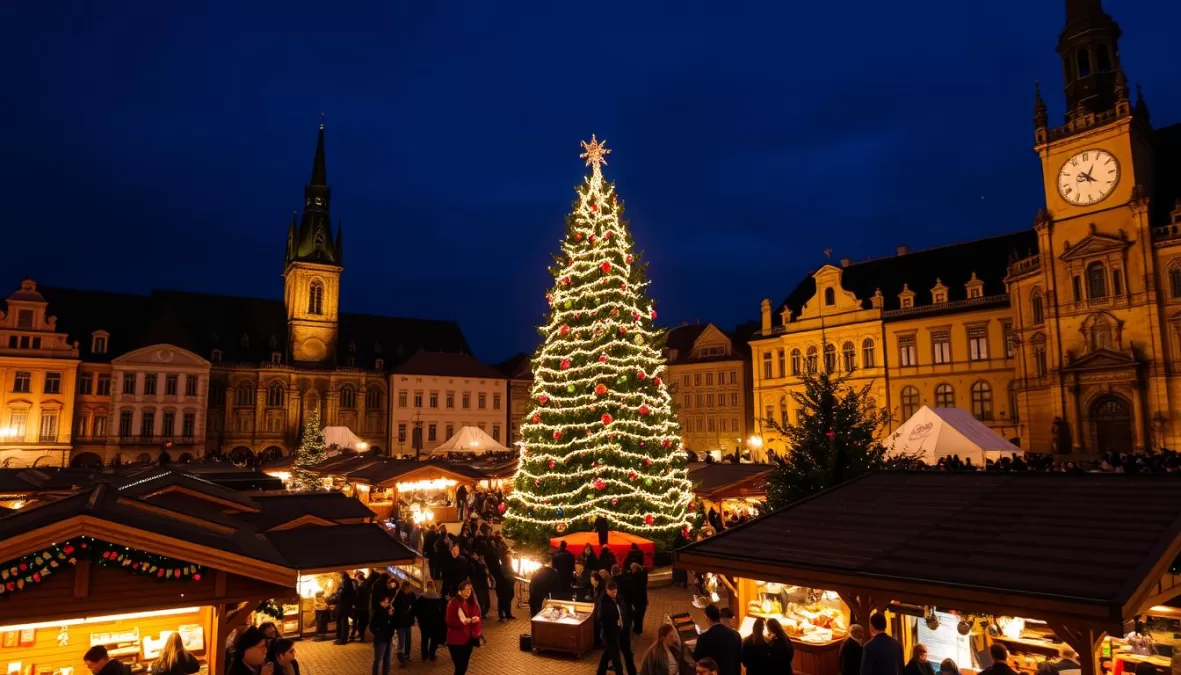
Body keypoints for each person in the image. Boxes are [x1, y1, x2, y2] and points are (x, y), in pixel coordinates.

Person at [445, 580, 482, 675]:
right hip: (456, 641)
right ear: (460, 590)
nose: (467, 592)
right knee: (460, 668)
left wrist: (476, 620)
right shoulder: (454, 602)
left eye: (469, 590)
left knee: (464, 667)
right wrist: (464, 622)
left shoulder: (472, 603)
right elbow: (449, 622)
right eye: (465, 590)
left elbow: (478, 618)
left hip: (468, 640)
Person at [693, 604, 742, 675]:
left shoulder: (703, 638)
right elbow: (738, 660)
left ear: (706, 618)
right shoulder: (735, 635)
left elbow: (697, 658)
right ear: (719, 617)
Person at [597, 580, 627, 675]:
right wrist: (614, 621)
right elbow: (601, 618)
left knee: (607, 654)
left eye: (616, 591)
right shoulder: (603, 602)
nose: (615, 594)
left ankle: (600, 672)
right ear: (607, 590)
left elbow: (621, 610)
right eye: (613, 592)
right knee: (616, 657)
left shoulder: (616, 599)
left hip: (615, 631)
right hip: (609, 633)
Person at [414, 579, 447, 662]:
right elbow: (444, 610)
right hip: (436, 623)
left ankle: (424, 655)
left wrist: (418, 618)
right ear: (434, 587)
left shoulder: (422, 598)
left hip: (424, 623)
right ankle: (431, 655)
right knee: (434, 639)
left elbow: (415, 609)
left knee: (424, 639)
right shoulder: (439, 597)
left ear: (427, 587)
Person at [391, 580, 417, 665]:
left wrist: (411, 613)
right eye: (407, 588)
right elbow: (395, 606)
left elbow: (414, 606)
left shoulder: (412, 595)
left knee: (408, 638)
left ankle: (407, 654)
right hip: (400, 621)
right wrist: (404, 611)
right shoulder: (399, 595)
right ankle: (400, 654)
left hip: (408, 620)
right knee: (401, 639)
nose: (409, 589)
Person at [370, 594, 396, 675]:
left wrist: (391, 616)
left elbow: (391, 623)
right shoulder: (377, 611)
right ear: (382, 602)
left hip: (388, 638)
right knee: (378, 659)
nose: (387, 602)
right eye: (386, 601)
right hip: (381, 639)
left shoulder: (388, 610)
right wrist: (378, 633)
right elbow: (372, 626)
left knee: (387, 660)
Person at [333, 571, 357, 644]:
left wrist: (335, 596)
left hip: (344, 605)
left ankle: (343, 639)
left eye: (339, 575)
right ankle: (340, 638)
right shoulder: (346, 582)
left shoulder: (347, 582)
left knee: (343, 622)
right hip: (343, 604)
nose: (339, 577)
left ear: (342, 575)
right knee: (341, 621)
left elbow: (342, 592)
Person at [627, 562, 649, 635]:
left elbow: (634, 589)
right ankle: (638, 629)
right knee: (640, 615)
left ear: (635, 569)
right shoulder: (643, 574)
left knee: (637, 615)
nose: (631, 571)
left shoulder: (636, 577)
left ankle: (638, 629)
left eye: (632, 569)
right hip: (643, 598)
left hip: (637, 600)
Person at [470, 552, 491, 620]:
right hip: (478, 584)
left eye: (477, 555)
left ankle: (483, 613)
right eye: (474, 555)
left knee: (486, 599)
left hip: (483, 583)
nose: (476, 556)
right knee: (481, 599)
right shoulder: (472, 563)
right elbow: (473, 573)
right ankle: (480, 613)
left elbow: (487, 573)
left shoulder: (481, 564)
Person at [353, 571, 373, 643]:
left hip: (359, 608)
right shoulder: (367, 586)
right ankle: (362, 635)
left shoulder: (360, 587)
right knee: (363, 623)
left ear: (359, 579)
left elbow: (357, 597)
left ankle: (361, 637)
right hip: (365, 607)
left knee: (360, 623)